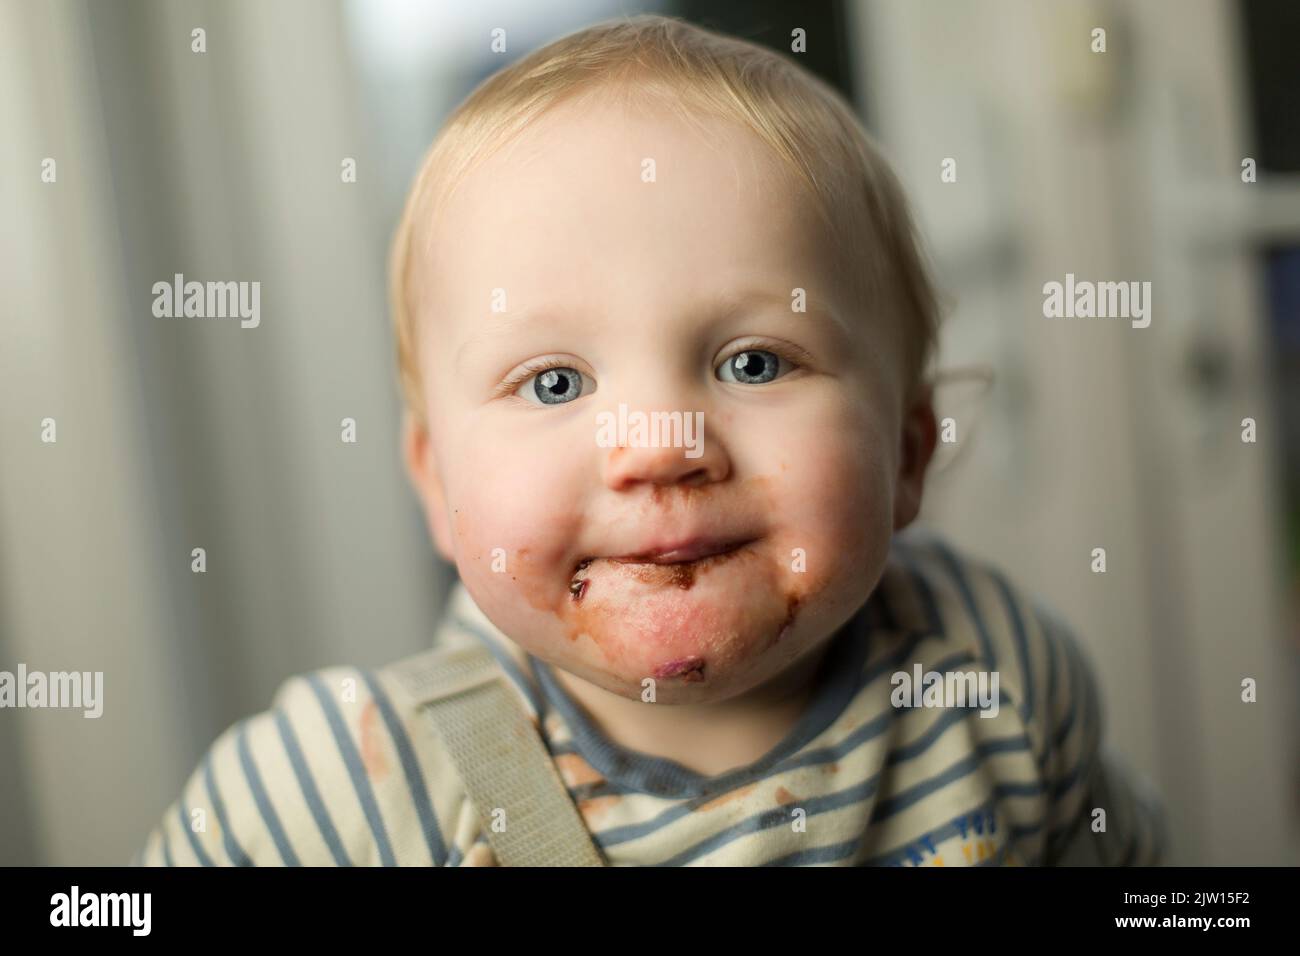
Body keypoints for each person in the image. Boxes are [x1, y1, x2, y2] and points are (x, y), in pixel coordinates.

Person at [134, 14, 1164, 867]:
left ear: (906, 452)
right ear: (438, 486)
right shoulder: (346, 790)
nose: (659, 446)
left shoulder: (991, 673)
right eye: (553, 382)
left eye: (753, 362)